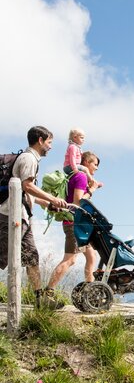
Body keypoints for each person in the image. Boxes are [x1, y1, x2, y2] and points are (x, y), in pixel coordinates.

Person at [0, 126, 68, 308]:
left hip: (23, 217)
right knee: (2, 257)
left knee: (31, 256)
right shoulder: (29, 158)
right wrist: (53, 197)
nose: (51, 147)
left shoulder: (30, 159)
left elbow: (25, 191)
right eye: (49, 142)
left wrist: (47, 204)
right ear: (40, 140)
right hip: (10, 215)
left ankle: (41, 301)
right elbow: (27, 186)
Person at [46, 151, 101, 294]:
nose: (96, 168)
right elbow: (78, 202)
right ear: (86, 163)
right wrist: (92, 190)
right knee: (70, 259)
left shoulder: (73, 175)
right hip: (73, 225)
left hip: (77, 225)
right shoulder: (81, 176)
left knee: (91, 256)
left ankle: (90, 291)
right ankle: (48, 292)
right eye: (95, 164)